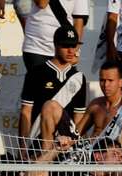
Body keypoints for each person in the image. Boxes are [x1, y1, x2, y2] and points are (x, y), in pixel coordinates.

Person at [19, 25, 86, 154]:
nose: (71, 51)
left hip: (66, 144)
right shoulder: (36, 73)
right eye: (66, 46)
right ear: (55, 45)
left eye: (74, 46)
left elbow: (78, 118)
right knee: (50, 106)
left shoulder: (79, 78)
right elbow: (26, 112)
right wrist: (23, 147)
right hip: (38, 139)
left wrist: (75, 147)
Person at [76, 61, 122, 160]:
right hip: (92, 159)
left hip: (114, 162)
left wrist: (120, 169)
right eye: (102, 80)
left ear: (121, 82)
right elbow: (76, 134)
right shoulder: (95, 104)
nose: (105, 85)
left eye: (110, 80)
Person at [21, 0, 88, 72]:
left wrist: (76, 52)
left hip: (65, 49)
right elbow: (41, 3)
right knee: (41, 82)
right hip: (37, 47)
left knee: (66, 82)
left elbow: (79, 21)